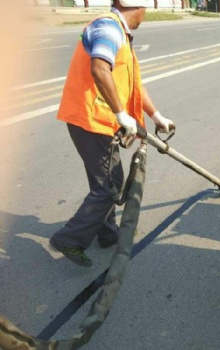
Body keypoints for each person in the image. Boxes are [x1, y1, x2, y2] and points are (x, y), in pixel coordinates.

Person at [49, 0, 174, 267]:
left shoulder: (120, 31)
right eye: (145, 8)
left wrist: (156, 116)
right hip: (90, 120)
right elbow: (99, 68)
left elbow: (134, 84)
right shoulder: (108, 27)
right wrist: (120, 113)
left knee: (104, 182)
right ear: (135, 6)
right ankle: (70, 238)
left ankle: (106, 234)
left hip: (101, 122)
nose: (146, 15)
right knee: (112, 185)